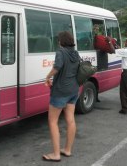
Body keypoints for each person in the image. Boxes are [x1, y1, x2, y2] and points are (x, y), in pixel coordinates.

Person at [42, 31, 80, 162]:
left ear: (61, 41)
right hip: (73, 90)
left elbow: (57, 67)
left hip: (60, 91)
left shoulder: (61, 52)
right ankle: (67, 150)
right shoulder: (75, 53)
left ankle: (56, 154)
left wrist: (47, 77)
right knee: (70, 120)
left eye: (58, 40)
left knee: (53, 121)